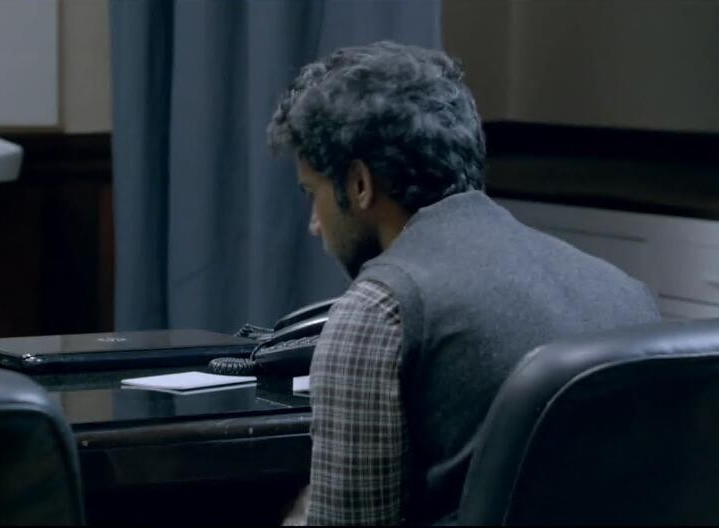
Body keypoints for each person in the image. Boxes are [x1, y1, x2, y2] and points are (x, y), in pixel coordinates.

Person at [267, 41, 660, 525]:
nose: (314, 224)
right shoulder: (627, 292)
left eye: (313, 193)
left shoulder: (378, 309)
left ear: (359, 184)